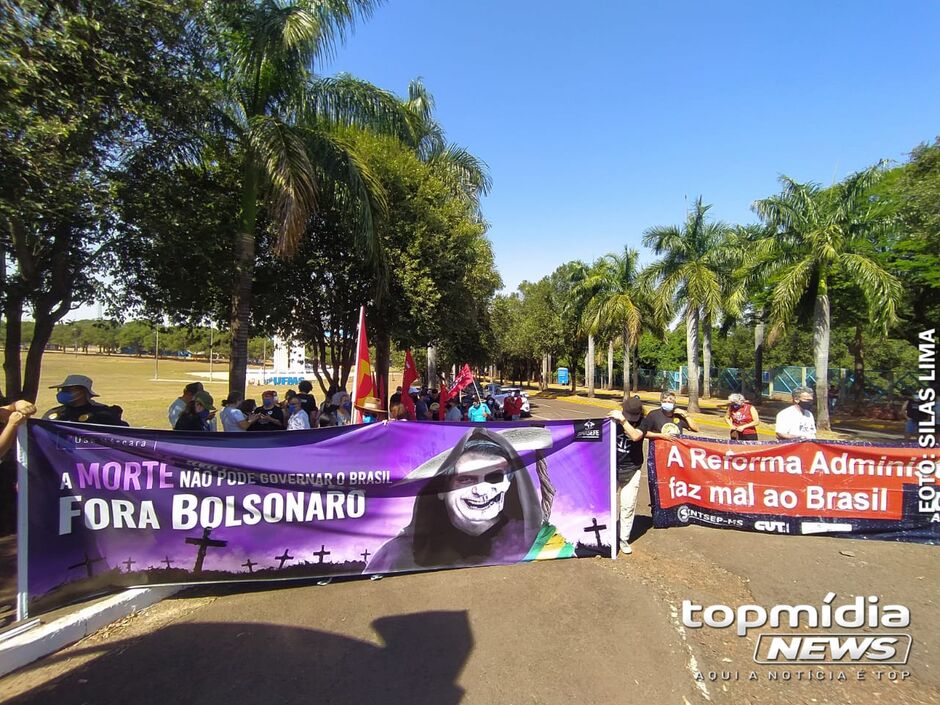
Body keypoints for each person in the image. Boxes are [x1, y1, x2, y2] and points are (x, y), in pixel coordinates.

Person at [366, 427, 572, 573]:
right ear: (442, 489)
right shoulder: (395, 554)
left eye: (493, 478)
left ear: (508, 483)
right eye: (466, 479)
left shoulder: (542, 543)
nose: (481, 492)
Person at [607, 397, 646, 555]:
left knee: (628, 506)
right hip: (612, 470)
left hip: (632, 470)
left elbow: (636, 436)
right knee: (607, 504)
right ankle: (606, 535)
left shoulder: (644, 421)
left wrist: (623, 421)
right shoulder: (612, 421)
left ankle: (623, 538)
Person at [43, 375, 128, 426]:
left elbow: (121, 433)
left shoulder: (102, 414)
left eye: (69, 390)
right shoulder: (54, 413)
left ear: (83, 392)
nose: (63, 393)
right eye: (62, 390)